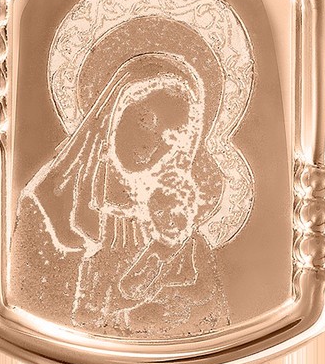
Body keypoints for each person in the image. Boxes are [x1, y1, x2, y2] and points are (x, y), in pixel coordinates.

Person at [14, 52, 229, 338]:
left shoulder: (180, 231)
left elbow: (212, 323)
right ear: (113, 113)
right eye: (146, 120)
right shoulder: (48, 207)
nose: (156, 143)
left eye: (173, 136)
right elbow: (34, 317)